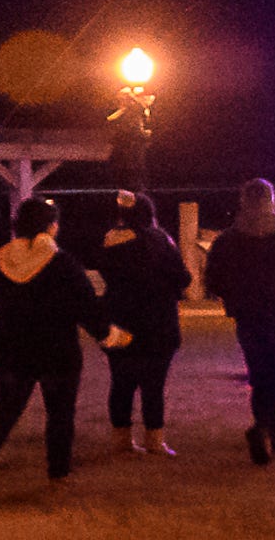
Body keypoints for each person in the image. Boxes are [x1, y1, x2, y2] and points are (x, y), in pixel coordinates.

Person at [0, 198, 119, 489]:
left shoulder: (1, 261)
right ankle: (58, 474)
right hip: (56, 349)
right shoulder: (62, 263)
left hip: (11, 347)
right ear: (51, 227)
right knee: (60, 414)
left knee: (6, 409)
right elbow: (85, 304)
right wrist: (106, 334)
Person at [202, 178, 275, 465]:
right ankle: (266, 426)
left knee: (262, 374)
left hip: (250, 317)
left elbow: (213, 279)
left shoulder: (228, 240)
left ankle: (266, 428)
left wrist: (234, 296)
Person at [92, 191, 190, 455]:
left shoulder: (109, 242)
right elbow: (183, 278)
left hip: (120, 320)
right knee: (153, 385)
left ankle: (121, 438)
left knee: (121, 382)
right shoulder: (159, 241)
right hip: (158, 322)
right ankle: (154, 439)